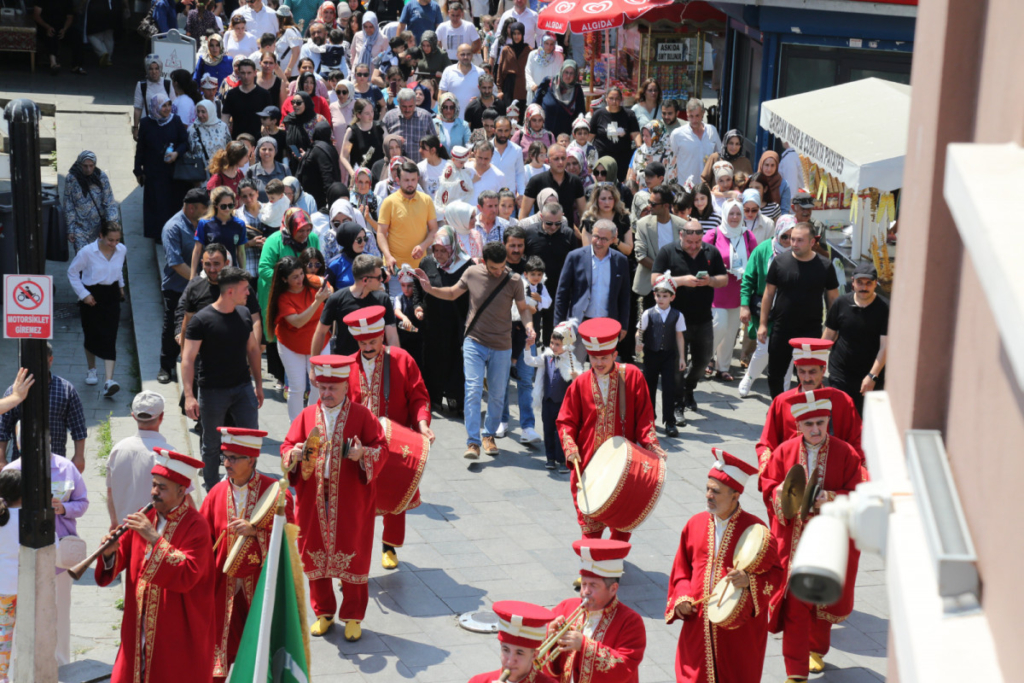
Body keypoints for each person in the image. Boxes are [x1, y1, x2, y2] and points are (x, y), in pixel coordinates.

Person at [760, 388, 864, 680]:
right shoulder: (784, 452)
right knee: (795, 603)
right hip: (793, 542)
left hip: (829, 540)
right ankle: (795, 673)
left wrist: (831, 497)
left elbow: (858, 492)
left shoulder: (846, 453)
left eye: (821, 423)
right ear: (798, 426)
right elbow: (767, 483)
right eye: (809, 424)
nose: (816, 429)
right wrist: (778, 493)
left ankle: (816, 649)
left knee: (822, 600)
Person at [281, 355, 387, 641]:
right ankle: (323, 611)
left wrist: (362, 453)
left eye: (333, 388)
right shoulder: (305, 416)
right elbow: (287, 446)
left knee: (353, 552)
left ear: (344, 387)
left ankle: (353, 616)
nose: (326, 394)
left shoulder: (362, 416)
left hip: (350, 500)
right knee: (313, 552)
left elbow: (382, 448)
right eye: (322, 388)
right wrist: (294, 452)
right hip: (312, 498)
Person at [94, 449, 214, 683]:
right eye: (153, 485)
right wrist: (109, 553)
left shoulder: (196, 526)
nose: (154, 493)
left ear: (181, 491)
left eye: (162, 488)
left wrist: (153, 538)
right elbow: (121, 557)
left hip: (176, 631)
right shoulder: (144, 515)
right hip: (137, 624)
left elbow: (188, 573)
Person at [666, 449, 783, 683]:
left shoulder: (756, 530)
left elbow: (776, 575)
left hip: (739, 632)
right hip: (698, 625)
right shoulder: (694, 524)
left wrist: (750, 582)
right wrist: (682, 598)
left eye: (716, 491)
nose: (708, 495)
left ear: (735, 496)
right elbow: (681, 572)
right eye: (708, 489)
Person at [413, 241, 534, 458]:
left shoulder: (514, 280)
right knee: (473, 389)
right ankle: (473, 442)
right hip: (474, 341)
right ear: (484, 262)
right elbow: (451, 293)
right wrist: (430, 290)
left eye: (502, 267)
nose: (498, 272)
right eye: (493, 268)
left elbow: (523, 309)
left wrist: (530, 327)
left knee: (497, 395)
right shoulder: (472, 273)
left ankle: (488, 435)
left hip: (502, 345)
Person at [198, 428, 294, 681]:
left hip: (261, 586)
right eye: (224, 457)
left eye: (233, 458)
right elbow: (204, 541)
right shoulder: (216, 494)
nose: (226, 464)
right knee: (223, 645)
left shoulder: (276, 493)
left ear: (251, 460)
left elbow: (290, 540)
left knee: (260, 644)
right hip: (224, 586)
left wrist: (255, 532)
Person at [341, 306, 432, 569]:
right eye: (362, 342)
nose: (368, 347)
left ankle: (389, 545)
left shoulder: (402, 360)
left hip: (395, 438)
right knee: (355, 500)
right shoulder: (346, 366)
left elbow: (418, 397)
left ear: (382, 336)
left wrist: (423, 426)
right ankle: (355, 550)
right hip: (358, 444)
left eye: (373, 341)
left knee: (396, 490)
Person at [556, 319, 663, 540]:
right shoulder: (580, 384)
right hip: (588, 464)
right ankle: (591, 571)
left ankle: (612, 568)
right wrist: (570, 447)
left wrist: (651, 444)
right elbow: (566, 422)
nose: (599, 362)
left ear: (615, 355)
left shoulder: (632, 376)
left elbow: (645, 418)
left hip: (625, 465)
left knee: (623, 521)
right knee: (590, 524)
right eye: (594, 357)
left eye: (604, 357)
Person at [2, 443, 89, 667]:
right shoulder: (12, 470)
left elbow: (82, 503)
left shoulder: (66, 467)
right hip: (31, 569)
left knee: (56, 616)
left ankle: (56, 665)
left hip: (54, 565)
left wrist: (63, 509)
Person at [182, 267, 265, 490]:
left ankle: (249, 483)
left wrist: (258, 385)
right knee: (211, 444)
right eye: (245, 289)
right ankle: (211, 488)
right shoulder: (202, 320)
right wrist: (189, 396)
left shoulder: (244, 314)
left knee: (251, 438)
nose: (249, 293)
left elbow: (253, 351)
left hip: (242, 388)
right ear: (231, 291)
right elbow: (187, 359)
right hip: (212, 391)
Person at [756, 338, 864, 480]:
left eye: (812, 372)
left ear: (823, 370)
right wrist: (770, 475)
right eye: (801, 371)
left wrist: (856, 475)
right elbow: (766, 444)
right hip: (791, 480)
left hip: (832, 478)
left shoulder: (842, 401)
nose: (806, 378)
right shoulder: (781, 402)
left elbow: (857, 441)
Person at [652, 218, 728, 419]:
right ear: (681, 236)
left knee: (703, 361)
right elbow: (655, 280)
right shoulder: (668, 251)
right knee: (678, 363)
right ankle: (678, 403)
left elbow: (724, 279)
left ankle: (688, 388)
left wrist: (710, 280)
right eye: (689, 243)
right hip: (675, 320)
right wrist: (681, 281)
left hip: (703, 318)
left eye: (697, 242)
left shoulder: (711, 252)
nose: (694, 246)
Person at [543, 540, 646, 681]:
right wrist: (550, 635)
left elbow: (624, 667)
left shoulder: (631, 622)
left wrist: (585, 646)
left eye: (593, 586)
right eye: (583, 584)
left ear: (613, 589)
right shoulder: (565, 607)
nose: (585, 591)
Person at [757, 222, 839, 398]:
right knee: (775, 374)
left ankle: (807, 409)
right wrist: (763, 324)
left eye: (799, 240)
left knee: (809, 375)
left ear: (811, 242)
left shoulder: (825, 266)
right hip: (781, 327)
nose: (794, 243)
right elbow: (768, 295)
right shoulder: (780, 262)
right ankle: (778, 408)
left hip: (810, 329)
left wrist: (832, 329)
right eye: (792, 239)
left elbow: (833, 299)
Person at [413, 227, 472, 410]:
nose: (438, 255)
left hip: (457, 323)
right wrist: (417, 305)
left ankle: (456, 401)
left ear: (452, 248)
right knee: (433, 361)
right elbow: (417, 285)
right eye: (435, 250)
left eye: (443, 250)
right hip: (433, 323)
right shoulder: (427, 263)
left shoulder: (466, 265)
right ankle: (434, 399)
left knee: (456, 362)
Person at [0, 346, 86, 471]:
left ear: (50, 360)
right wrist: (1, 458)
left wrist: (79, 456)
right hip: (21, 466)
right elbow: (2, 429)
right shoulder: (13, 392)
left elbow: (78, 427)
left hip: (56, 464)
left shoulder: (66, 390)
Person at [554, 221, 631, 358]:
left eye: (604, 239)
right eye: (596, 236)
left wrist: (623, 325)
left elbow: (624, 296)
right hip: (579, 324)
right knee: (573, 370)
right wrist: (559, 325)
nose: (598, 242)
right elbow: (562, 294)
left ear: (613, 240)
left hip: (607, 324)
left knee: (603, 369)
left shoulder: (621, 261)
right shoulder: (575, 257)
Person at [269, 257, 334, 419]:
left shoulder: (310, 280)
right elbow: (298, 322)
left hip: (319, 340)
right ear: (284, 279)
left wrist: (328, 289)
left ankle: (313, 422)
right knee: (297, 387)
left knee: (320, 383)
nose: (300, 279)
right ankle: (296, 428)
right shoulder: (283, 298)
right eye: (295, 277)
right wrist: (318, 301)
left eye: (301, 274)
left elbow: (327, 285)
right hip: (292, 345)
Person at [738, 215, 795, 398]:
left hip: (788, 311)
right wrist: (744, 304)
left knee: (788, 352)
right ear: (777, 233)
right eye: (784, 236)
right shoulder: (763, 250)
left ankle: (784, 393)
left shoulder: (798, 253)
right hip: (765, 309)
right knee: (763, 349)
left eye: (792, 237)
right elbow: (748, 279)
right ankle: (750, 376)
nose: (788, 242)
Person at [67, 222, 125, 398]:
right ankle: (91, 369)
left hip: (111, 294)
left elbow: (119, 269)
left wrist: (121, 287)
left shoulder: (121, 250)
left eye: (117, 240)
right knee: (91, 334)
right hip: (92, 295)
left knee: (110, 335)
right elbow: (72, 272)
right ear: (101, 236)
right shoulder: (87, 252)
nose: (114, 244)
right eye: (110, 240)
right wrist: (84, 294)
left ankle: (109, 381)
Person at [703, 199, 759, 382]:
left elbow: (755, 262)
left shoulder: (748, 236)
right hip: (717, 289)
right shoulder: (713, 234)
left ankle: (723, 367)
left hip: (739, 290)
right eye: (731, 213)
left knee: (731, 330)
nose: (734, 217)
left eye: (737, 214)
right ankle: (702, 361)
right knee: (719, 326)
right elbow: (703, 259)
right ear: (724, 215)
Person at [822, 263, 888, 415]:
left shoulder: (885, 308)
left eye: (868, 283)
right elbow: (828, 337)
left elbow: (885, 347)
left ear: (875, 284)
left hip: (870, 375)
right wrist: (814, 360)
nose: (863, 287)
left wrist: (872, 376)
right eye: (860, 282)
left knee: (864, 423)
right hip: (840, 373)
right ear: (853, 282)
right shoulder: (841, 303)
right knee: (838, 418)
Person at [105, 391, 178, 529]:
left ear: (133, 416)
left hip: (123, 531)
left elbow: (110, 492)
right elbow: (183, 498)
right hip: (156, 534)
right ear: (161, 416)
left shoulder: (117, 449)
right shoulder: (169, 455)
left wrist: (114, 523)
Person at [313, 254, 401, 356]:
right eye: (378, 277)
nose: (382, 280)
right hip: (346, 365)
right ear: (365, 280)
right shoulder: (336, 299)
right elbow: (320, 333)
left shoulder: (383, 299)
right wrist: (313, 367)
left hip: (376, 364)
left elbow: (392, 337)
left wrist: (397, 362)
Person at [636, 273, 686, 437]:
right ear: (654, 295)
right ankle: (649, 420)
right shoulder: (648, 313)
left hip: (669, 355)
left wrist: (682, 358)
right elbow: (639, 332)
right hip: (651, 354)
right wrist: (638, 342)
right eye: (658, 295)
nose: (661, 299)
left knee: (669, 388)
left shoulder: (677, 315)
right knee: (649, 388)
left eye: (665, 296)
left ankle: (669, 421)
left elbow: (679, 336)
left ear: (672, 297)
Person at [135, 91, 189, 241]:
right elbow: (141, 147)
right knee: (156, 202)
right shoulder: (146, 123)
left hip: (172, 170)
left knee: (171, 202)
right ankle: (158, 235)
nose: (166, 109)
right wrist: (138, 169)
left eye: (168, 105)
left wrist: (176, 153)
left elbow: (185, 142)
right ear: (155, 107)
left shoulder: (175, 121)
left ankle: (171, 233)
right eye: (163, 106)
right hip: (153, 171)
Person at [523, 200, 577, 343]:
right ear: (541, 217)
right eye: (549, 223)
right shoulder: (529, 233)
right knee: (531, 330)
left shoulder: (568, 234)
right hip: (533, 290)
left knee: (553, 332)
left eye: (557, 223)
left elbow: (575, 264)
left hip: (557, 290)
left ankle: (550, 362)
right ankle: (531, 362)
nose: (553, 227)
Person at [468, 601, 559, 683]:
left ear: (534, 655)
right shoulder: (478, 681)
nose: (510, 661)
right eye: (506, 650)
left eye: (519, 653)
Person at [377, 161, 439, 273]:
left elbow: (434, 229)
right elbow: (381, 233)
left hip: (420, 267)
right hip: (394, 267)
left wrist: (423, 246)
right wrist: (388, 256)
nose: (410, 183)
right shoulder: (389, 202)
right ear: (398, 180)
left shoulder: (426, 200)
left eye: (413, 180)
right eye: (406, 180)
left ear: (418, 179)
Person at [63, 150, 120, 249]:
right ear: (79, 164)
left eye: (91, 165)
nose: (88, 169)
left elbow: (109, 202)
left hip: (99, 228)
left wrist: (111, 227)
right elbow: (69, 205)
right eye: (85, 166)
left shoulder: (101, 177)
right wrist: (70, 229)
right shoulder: (71, 179)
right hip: (80, 228)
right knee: (83, 258)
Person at [520, 144, 585, 222]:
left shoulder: (575, 181)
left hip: (566, 232)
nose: (560, 162)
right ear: (548, 161)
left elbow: (583, 213)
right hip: (542, 232)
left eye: (563, 158)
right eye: (556, 159)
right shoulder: (536, 181)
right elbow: (523, 215)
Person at [589, 88, 639, 183]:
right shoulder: (598, 114)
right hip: (602, 158)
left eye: (617, 99)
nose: (614, 101)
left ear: (621, 99)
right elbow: (590, 137)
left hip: (623, 159)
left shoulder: (629, 115)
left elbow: (636, 134)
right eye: (611, 98)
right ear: (606, 99)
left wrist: (640, 150)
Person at [669, 98, 722, 187]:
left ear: (703, 114)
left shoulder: (712, 131)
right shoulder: (677, 134)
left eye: (697, 116)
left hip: (707, 187)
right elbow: (671, 162)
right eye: (691, 116)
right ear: (687, 114)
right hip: (686, 188)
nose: (694, 120)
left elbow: (719, 155)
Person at [221, 58, 273, 142]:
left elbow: (270, 117)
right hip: (237, 140)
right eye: (243, 73)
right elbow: (225, 117)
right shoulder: (232, 94)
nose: (246, 76)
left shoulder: (264, 95)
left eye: (249, 73)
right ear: (239, 73)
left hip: (258, 141)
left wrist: (265, 128)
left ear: (255, 73)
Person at [0, 469, 20, 682]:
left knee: (3, 634)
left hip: (2, 588)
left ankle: (2, 676)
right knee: (24, 634)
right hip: (24, 587)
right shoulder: (28, 518)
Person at [438, 45, 486, 121]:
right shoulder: (448, 71)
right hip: (452, 120)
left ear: (472, 55)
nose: (465, 57)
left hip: (474, 119)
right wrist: (441, 113)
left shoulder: (480, 72)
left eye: (468, 54)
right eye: (462, 54)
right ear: (457, 55)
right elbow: (441, 93)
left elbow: (486, 93)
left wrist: (479, 99)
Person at [33, 0, 80, 75]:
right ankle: (53, 63)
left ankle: (76, 65)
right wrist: (47, 27)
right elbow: (36, 15)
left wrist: (64, 29)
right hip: (45, 26)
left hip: (62, 26)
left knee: (76, 35)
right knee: (51, 33)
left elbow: (70, 17)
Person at [133, 55, 173, 138]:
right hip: (148, 127)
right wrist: (136, 128)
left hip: (165, 126)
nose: (154, 72)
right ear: (147, 70)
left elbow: (174, 106)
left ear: (160, 69)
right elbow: (138, 108)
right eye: (151, 69)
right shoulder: (141, 85)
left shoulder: (168, 84)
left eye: (156, 68)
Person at [188, 100, 232, 175]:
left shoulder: (222, 126)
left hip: (221, 170)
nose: (200, 115)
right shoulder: (192, 129)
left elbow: (229, 147)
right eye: (198, 111)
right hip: (201, 172)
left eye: (203, 112)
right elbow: (189, 152)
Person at [496, 22, 530, 109]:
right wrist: (499, 89)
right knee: (509, 114)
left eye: (519, 33)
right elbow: (500, 70)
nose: (516, 36)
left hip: (523, 87)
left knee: (522, 114)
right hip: (509, 87)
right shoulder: (506, 50)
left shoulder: (529, 50)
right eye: (514, 33)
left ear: (523, 34)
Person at [751, 150, 791, 222]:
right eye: (766, 165)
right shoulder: (752, 180)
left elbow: (784, 211)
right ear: (761, 164)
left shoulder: (783, 185)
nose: (769, 169)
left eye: (772, 165)